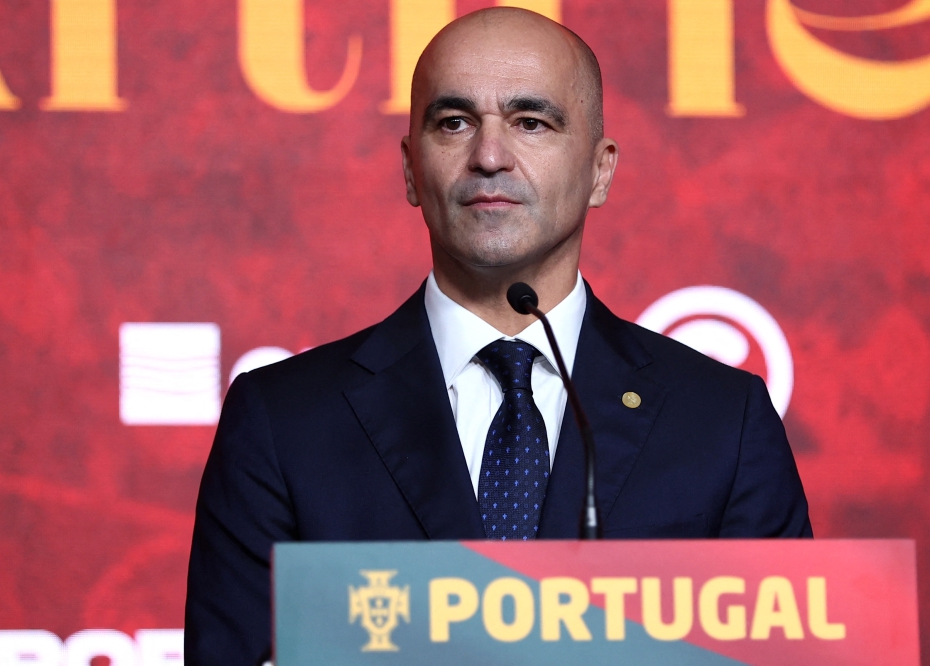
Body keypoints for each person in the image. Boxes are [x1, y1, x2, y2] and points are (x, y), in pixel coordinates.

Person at [185, 7, 811, 663]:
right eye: (453, 123)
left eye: (531, 122)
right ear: (409, 170)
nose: (488, 156)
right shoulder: (283, 423)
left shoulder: (721, 422)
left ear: (600, 170)